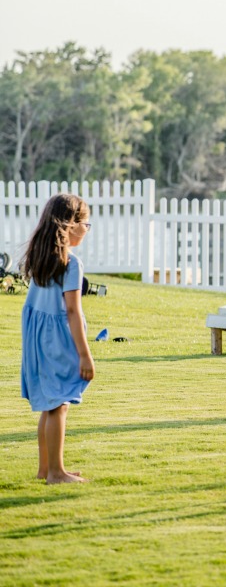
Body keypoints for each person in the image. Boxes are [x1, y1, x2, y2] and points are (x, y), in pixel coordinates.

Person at [19, 194, 95, 484]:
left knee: (50, 404)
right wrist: (85, 355)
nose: (87, 230)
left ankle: (45, 468)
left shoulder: (40, 257)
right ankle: (56, 473)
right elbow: (73, 311)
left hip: (37, 338)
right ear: (70, 225)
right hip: (58, 339)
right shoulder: (70, 263)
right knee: (58, 404)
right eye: (85, 223)